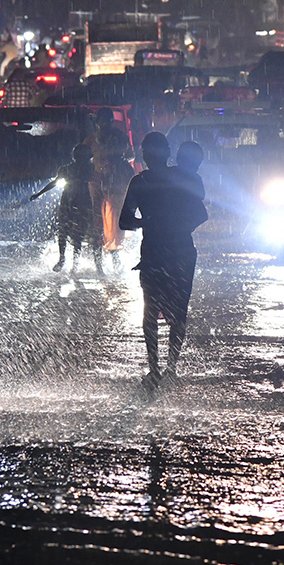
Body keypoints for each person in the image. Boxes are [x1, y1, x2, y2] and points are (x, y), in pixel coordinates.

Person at [119, 132, 209, 390]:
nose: (148, 156)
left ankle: (155, 369)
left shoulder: (140, 182)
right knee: (178, 310)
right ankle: (171, 368)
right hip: (180, 250)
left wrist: (148, 222)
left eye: (148, 152)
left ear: (146, 155)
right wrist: (179, 227)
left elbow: (124, 221)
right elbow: (201, 214)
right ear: (168, 153)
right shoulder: (182, 178)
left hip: (154, 251)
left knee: (150, 310)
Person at [31, 143, 102, 273]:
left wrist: (39, 194)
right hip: (74, 202)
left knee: (75, 232)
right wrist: (39, 193)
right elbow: (54, 183)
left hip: (80, 201)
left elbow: (101, 183)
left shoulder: (91, 169)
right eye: (78, 154)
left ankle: (79, 264)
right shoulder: (75, 169)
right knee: (68, 231)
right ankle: (66, 260)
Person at [89, 108, 135, 264]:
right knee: (113, 219)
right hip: (113, 181)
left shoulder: (91, 139)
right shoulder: (119, 137)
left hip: (99, 180)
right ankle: (111, 256)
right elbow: (130, 155)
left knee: (100, 218)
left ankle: (101, 258)